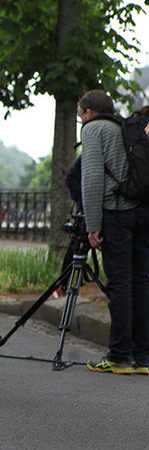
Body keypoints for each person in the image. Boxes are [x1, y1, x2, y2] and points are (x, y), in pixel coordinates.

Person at [77, 90, 149, 374]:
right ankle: (143, 358)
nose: (81, 119)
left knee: (119, 284)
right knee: (142, 282)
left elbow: (92, 178)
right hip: (143, 213)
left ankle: (119, 356)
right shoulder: (126, 126)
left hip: (116, 214)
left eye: (80, 114)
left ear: (89, 113)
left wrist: (93, 225)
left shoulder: (93, 129)